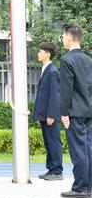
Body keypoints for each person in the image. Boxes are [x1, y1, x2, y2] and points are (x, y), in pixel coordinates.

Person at [60, 24, 92, 198]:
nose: (63, 39)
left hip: (74, 112)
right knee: (89, 149)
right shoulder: (89, 60)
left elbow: (66, 89)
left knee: (78, 151)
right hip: (88, 111)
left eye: (63, 36)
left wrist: (64, 113)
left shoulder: (67, 60)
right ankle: (89, 187)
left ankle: (80, 188)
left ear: (70, 37)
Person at [34, 42, 63, 181]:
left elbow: (55, 95)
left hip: (51, 115)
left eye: (40, 52)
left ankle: (57, 171)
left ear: (47, 54)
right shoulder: (45, 69)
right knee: (48, 143)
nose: (38, 54)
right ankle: (51, 169)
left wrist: (51, 115)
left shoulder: (53, 71)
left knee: (54, 142)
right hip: (44, 115)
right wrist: (40, 116)